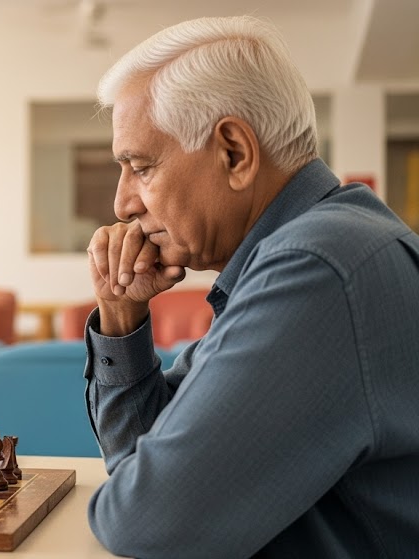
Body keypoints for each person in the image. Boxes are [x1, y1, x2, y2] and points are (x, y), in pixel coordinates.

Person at [83, 15, 419, 558]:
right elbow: (143, 462)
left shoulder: (317, 267)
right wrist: (120, 314)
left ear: (234, 153)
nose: (122, 204)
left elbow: (147, 522)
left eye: (140, 166)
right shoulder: (307, 249)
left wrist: (144, 489)